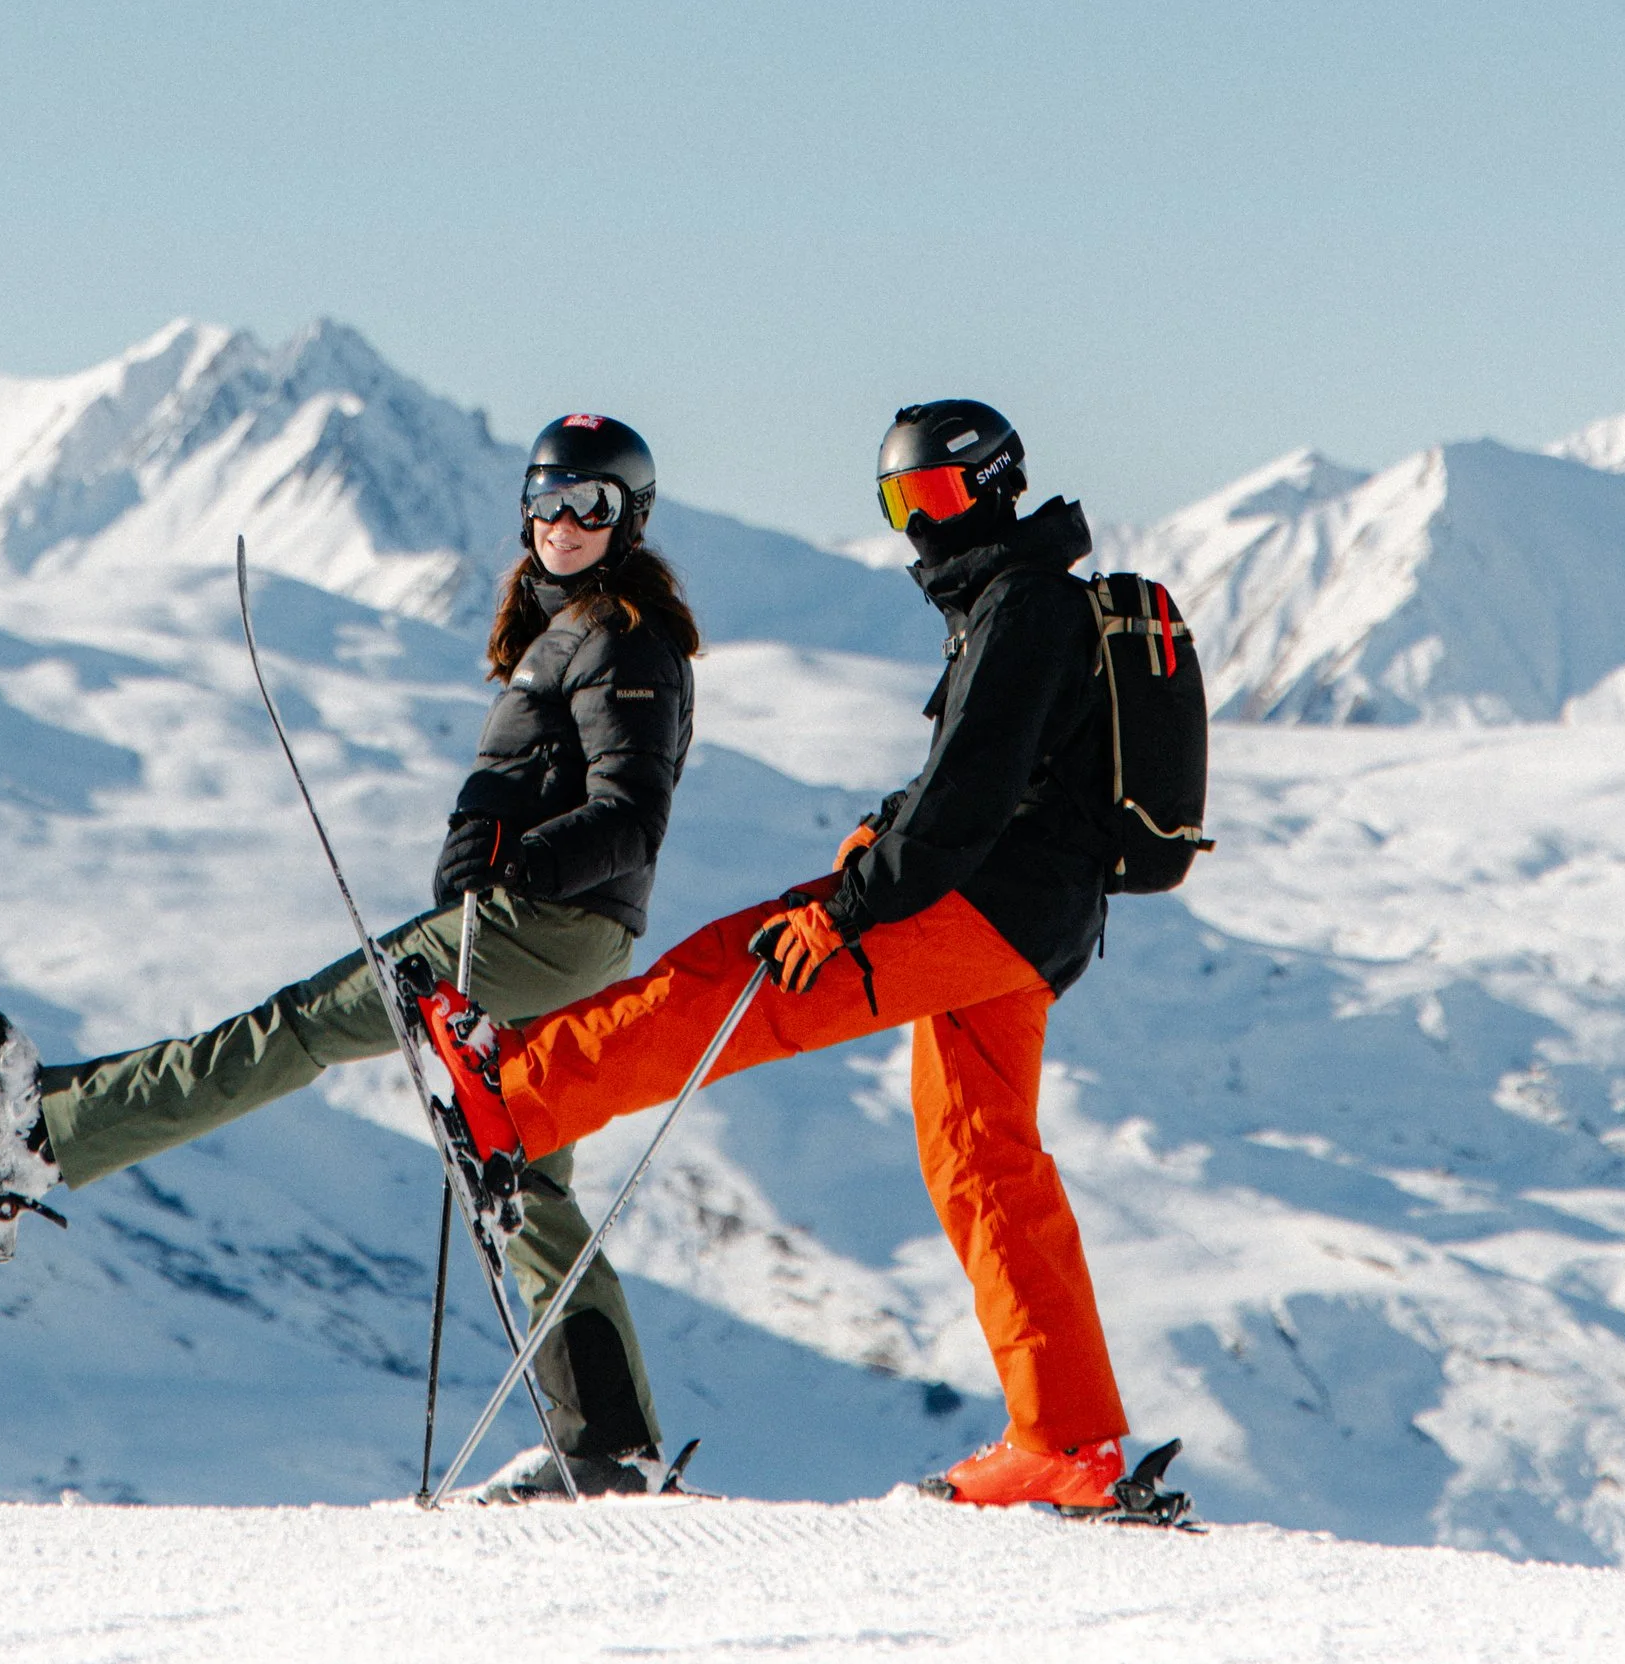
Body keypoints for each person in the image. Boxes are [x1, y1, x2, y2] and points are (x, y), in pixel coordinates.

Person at [418, 397, 1141, 1512]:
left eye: (941, 496)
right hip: (1029, 922)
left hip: (977, 906)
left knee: (736, 977)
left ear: (996, 485)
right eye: (903, 502)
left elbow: (969, 796)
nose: (923, 525)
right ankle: (1067, 1437)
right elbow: (980, 778)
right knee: (980, 1160)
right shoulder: (1020, 604)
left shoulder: (1022, 606)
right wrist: (883, 831)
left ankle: (514, 1093)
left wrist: (847, 906)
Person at [0, 411, 700, 1499]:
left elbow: (628, 818)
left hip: (528, 936)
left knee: (302, 1023)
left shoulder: (623, 637)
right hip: (552, 936)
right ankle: (610, 1445)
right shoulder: (570, 631)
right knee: (523, 1170)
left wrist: (506, 866)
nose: (563, 521)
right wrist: (494, 838)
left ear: (628, 517)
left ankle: (52, 1133)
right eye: (546, 497)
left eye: (590, 503)